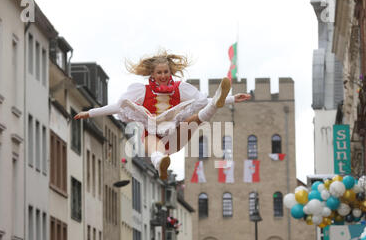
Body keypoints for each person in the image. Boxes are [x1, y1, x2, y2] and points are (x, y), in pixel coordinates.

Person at [74, 50, 251, 180]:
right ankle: (161, 164)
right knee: (153, 144)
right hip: (153, 134)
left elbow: (200, 101)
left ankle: (216, 102)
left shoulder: (180, 89)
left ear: (170, 73)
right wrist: (89, 113)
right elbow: (117, 107)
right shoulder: (141, 91)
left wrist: (231, 99)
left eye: (166, 72)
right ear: (152, 74)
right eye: (159, 72)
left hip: (175, 134)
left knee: (194, 119)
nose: (163, 75)